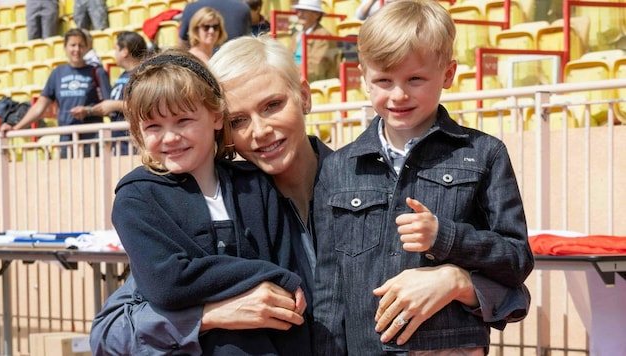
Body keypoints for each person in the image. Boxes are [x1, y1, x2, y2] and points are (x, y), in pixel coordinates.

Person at [89, 36, 530, 355]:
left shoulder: (380, 178)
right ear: (220, 124)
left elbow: (513, 292)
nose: (260, 132)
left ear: (304, 96)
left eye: (272, 105)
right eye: (239, 120)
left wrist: (457, 283)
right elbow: (110, 330)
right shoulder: (214, 209)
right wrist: (211, 314)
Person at [312, 1, 534, 355]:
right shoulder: (338, 168)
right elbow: (330, 288)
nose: (399, 94)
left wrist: (445, 237)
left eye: (415, 79)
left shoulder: (485, 154)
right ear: (363, 77)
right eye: (384, 81)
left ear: (447, 74)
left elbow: (517, 259)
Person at [103, 48, 313, 355]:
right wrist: (266, 276)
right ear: (138, 132)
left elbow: (288, 296)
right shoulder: (136, 198)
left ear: (216, 117)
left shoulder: (255, 185)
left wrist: (277, 281)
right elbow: (167, 284)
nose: (170, 137)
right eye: (153, 127)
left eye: (183, 120)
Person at [0, 28, 111, 158]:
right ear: (65, 47)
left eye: (81, 45)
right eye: (73, 45)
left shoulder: (97, 72)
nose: (77, 50)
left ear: (87, 48)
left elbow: (109, 106)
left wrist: (88, 111)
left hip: (92, 138)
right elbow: (39, 107)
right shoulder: (58, 73)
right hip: (66, 139)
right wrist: (16, 128)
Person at [91, 31, 148, 156]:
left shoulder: (144, 74)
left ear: (124, 51)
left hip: (134, 142)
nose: (114, 54)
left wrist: (114, 105)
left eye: (116, 49)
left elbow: (146, 105)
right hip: (120, 142)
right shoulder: (124, 74)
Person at [289, 0, 339, 82]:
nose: (300, 14)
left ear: (317, 14)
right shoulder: (296, 35)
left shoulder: (324, 36)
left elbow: (316, 67)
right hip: (295, 78)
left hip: (315, 82)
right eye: (299, 10)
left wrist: (290, 72)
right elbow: (288, 57)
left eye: (304, 11)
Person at [177, 0, 251, 49]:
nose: (211, 31)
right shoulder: (243, 8)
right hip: (233, 65)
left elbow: (182, 43)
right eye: (206, 27)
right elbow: (247, 42)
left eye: (215, 27)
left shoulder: (191, 7)